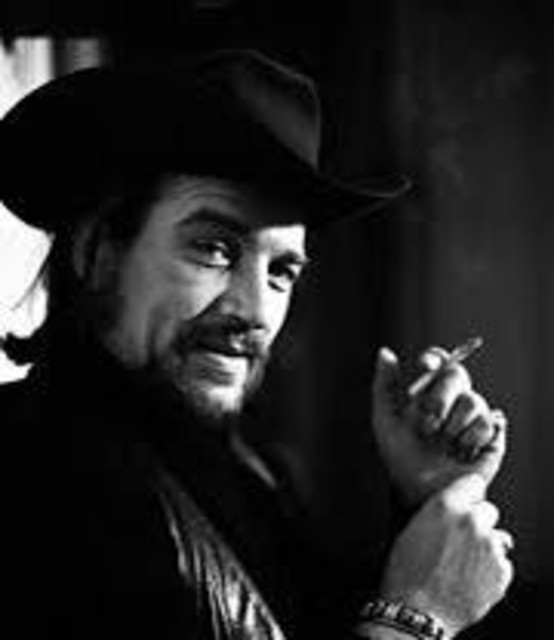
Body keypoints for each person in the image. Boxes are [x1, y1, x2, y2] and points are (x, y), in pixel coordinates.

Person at [0, 49, 513, 639]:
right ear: (96, 250)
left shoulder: (247, 471)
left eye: (281, 272)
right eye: (214, 248)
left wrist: (425, 501)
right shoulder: (32, 477)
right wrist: (418, 618)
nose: (256, 312)